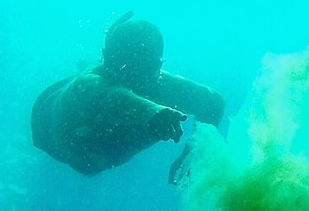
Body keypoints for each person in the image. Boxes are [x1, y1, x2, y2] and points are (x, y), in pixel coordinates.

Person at [31, 12, 225, 181]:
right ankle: (83, 65)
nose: (134, 79)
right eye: (127, 67)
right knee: (86, 84)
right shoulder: (87, 86)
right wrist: (152, 111)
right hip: (47, 125)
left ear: (157, 65)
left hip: (91, 148)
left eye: (144, 66)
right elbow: (108, 98)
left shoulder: (161, 85)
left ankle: (86, 64)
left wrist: (193, 155)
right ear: (107, 59)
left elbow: (213, 103)